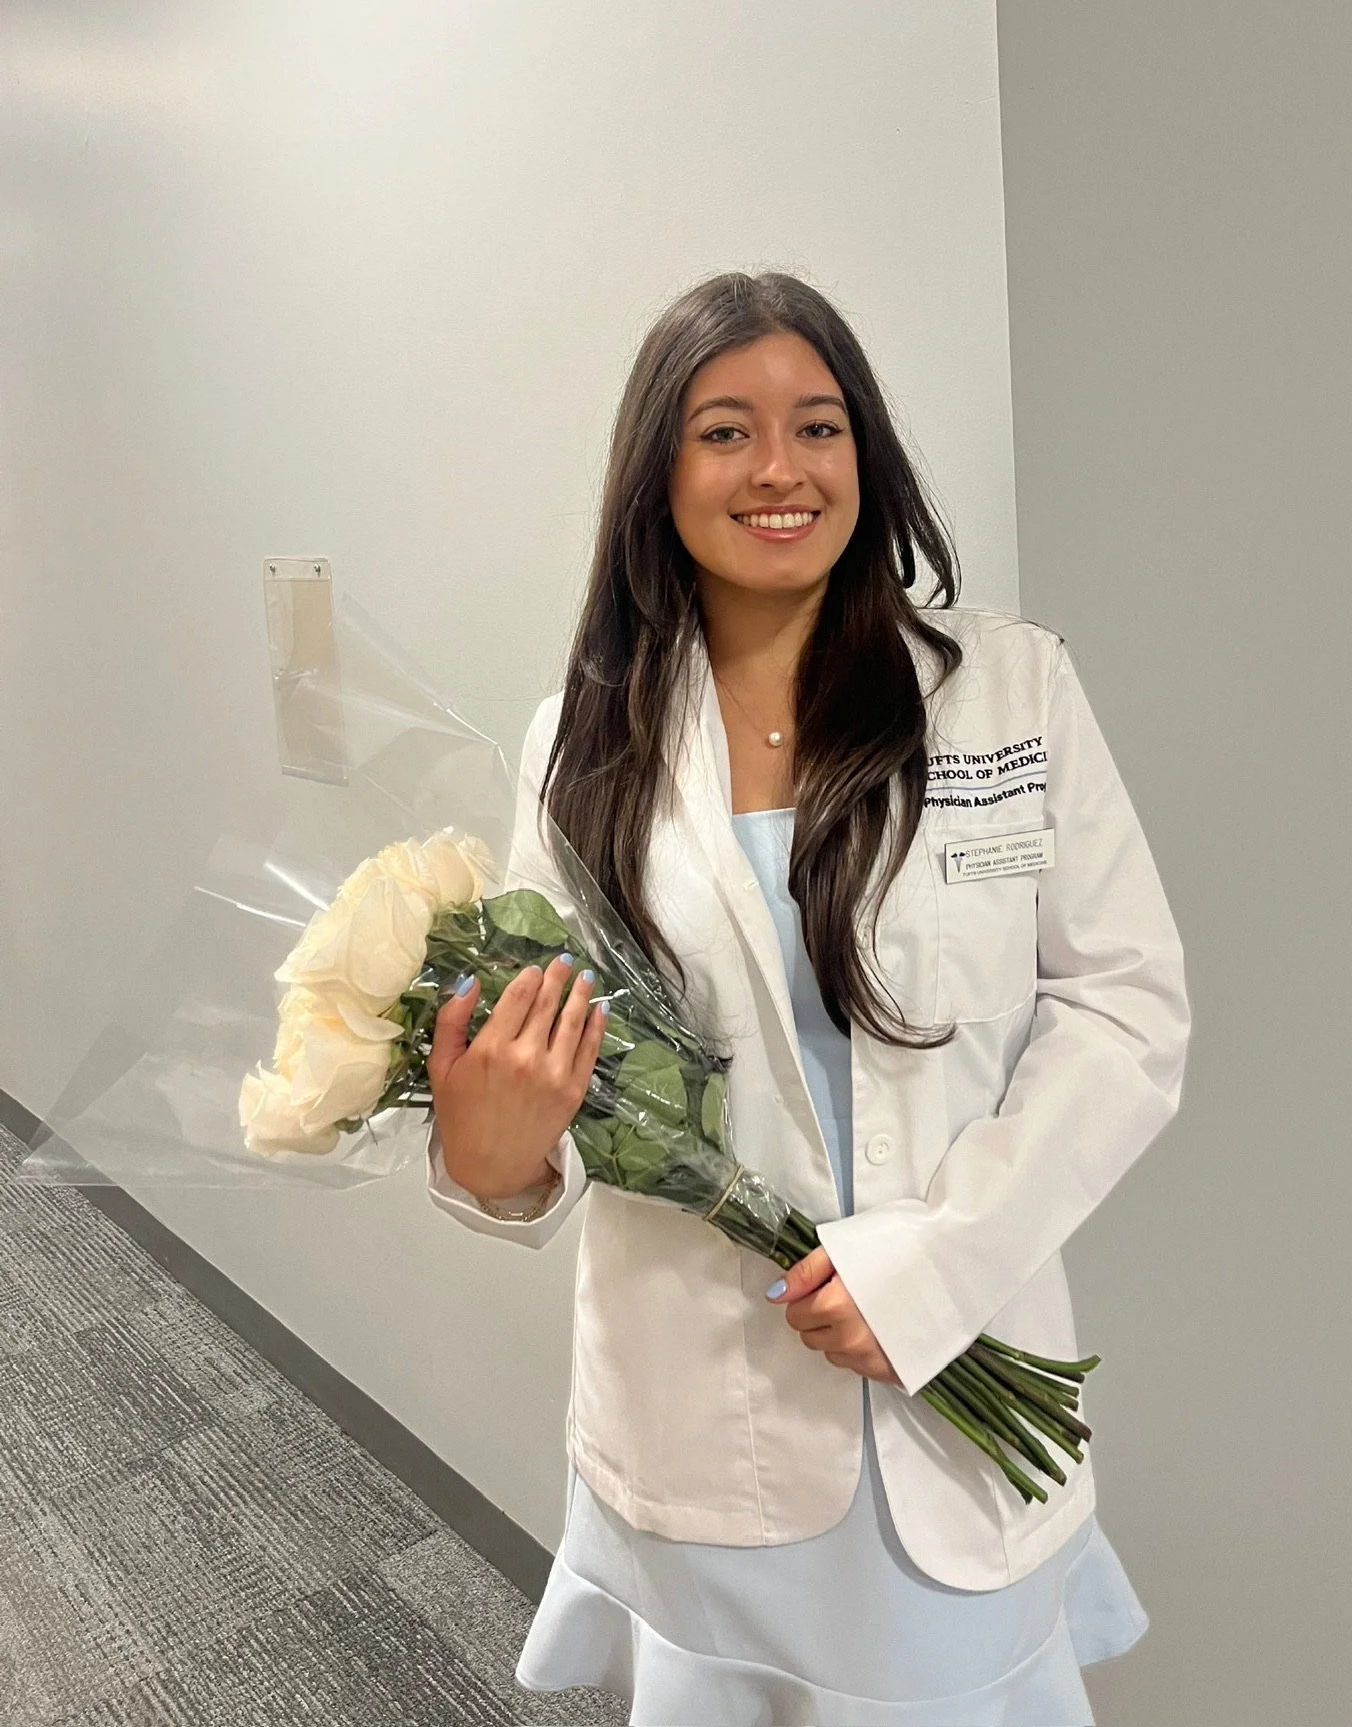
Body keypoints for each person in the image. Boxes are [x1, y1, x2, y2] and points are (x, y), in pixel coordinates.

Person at [424, 270, 1190, 1726]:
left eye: (818, 426)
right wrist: (489, 1163)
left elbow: (1126, 1014)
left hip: (961, 1376)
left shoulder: (1009, 695)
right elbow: (571, 1092)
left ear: (868, 456)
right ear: (658, 475)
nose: (780, 468)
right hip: (704, 1415)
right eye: (725, 431)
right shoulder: (580, 747)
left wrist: (941, 1267)